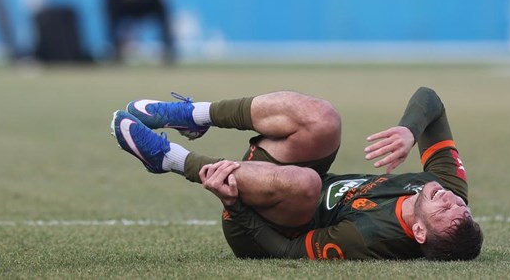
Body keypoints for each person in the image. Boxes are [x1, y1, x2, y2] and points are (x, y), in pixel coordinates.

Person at [111, 87, 483, 262]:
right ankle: (194, 116)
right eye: (461, 207)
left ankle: (170, 159)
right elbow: (430, 100)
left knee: (308, 184)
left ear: (419, 233)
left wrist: (234, 206)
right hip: (278, 178)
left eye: (445, 211)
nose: (451, 200)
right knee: (325, 119)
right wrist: (409, 130)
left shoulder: (368, 240)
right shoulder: (445, 186)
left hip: (257, 225)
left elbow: (286, 250)